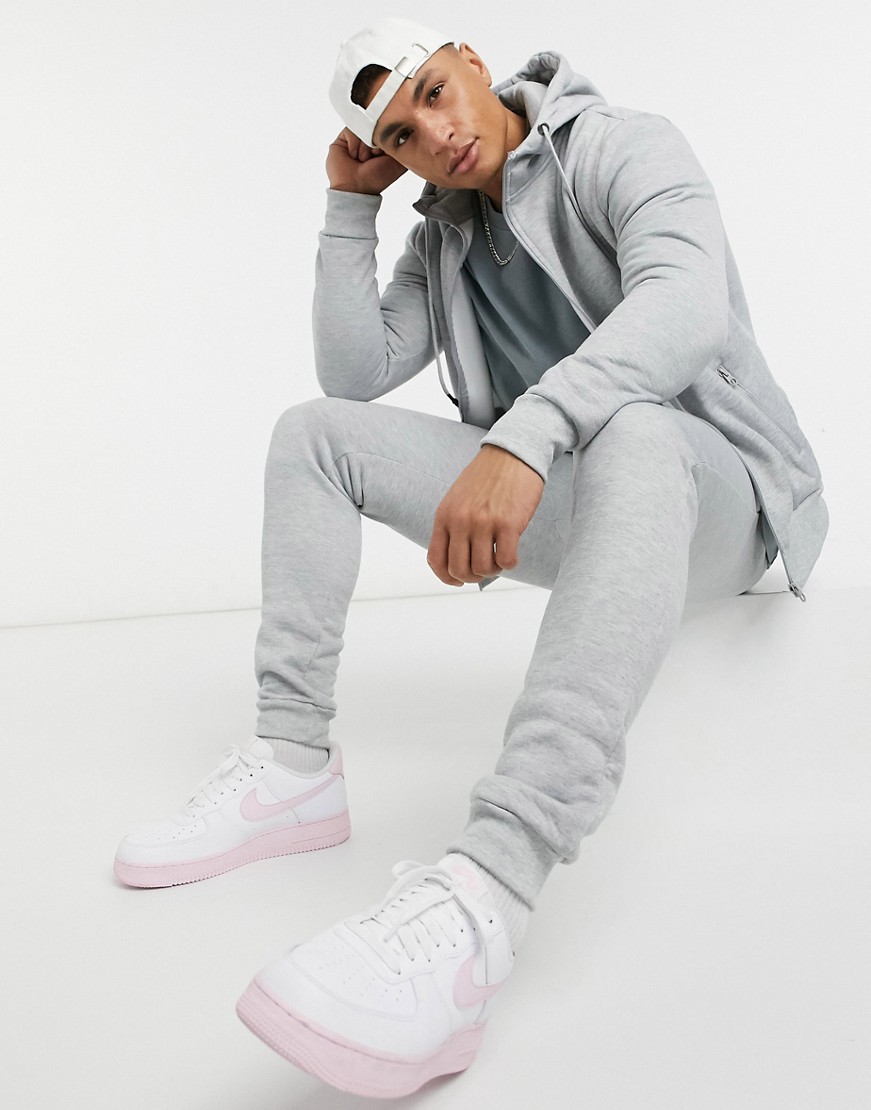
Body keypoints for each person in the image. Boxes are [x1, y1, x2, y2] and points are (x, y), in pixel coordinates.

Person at [114, 16, 828, 1099]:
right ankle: (293, 766)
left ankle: (487, 892)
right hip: (576, 497)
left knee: (636, 431)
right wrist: (349, 207)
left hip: (716, 497)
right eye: (400, 137)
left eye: (435, 94)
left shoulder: (622, 144)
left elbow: (682, 308)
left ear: (472, 63)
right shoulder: (444, 240)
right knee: (312, 436)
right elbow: (355, 374)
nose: (434, 136)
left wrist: (524, 433)